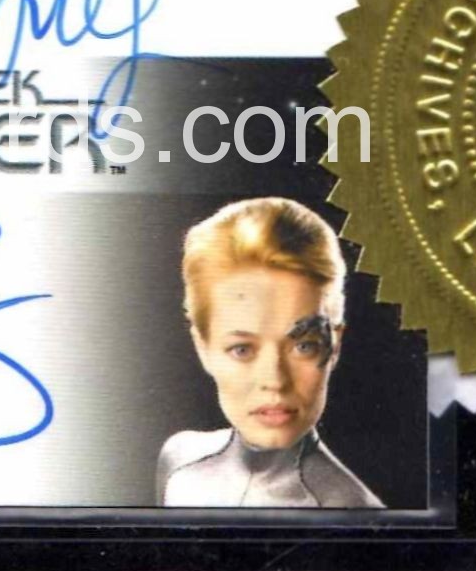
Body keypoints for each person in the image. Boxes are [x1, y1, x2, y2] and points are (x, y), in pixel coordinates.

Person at [156, 197, 383, 508]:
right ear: (202, 347)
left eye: (304, 346)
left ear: (335, 345)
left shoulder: (354, 511)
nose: (275, 381)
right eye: (242, 349)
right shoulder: (179, 461)